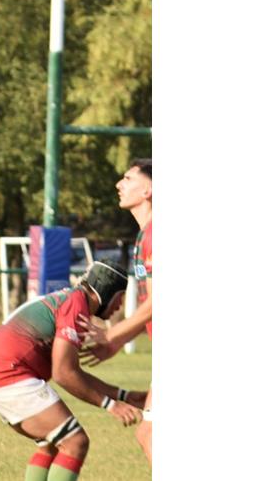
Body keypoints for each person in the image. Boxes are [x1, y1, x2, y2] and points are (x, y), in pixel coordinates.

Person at [0, 261, 146, 481]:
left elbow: (73, 372)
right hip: (8, 375)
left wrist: (123, 396)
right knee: (75, 442)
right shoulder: (76, 305)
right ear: (105, 291)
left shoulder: (72, 300)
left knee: (50, 445)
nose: (119, 305)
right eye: (119, 297)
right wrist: (110, 405)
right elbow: (63, 374)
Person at [80, 158, 152, 463]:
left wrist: (113, 333)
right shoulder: (144, 235)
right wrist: (117, 342)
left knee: (151, 435)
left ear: (148, 189)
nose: (118, 184)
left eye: (127, 178)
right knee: (149, 435)